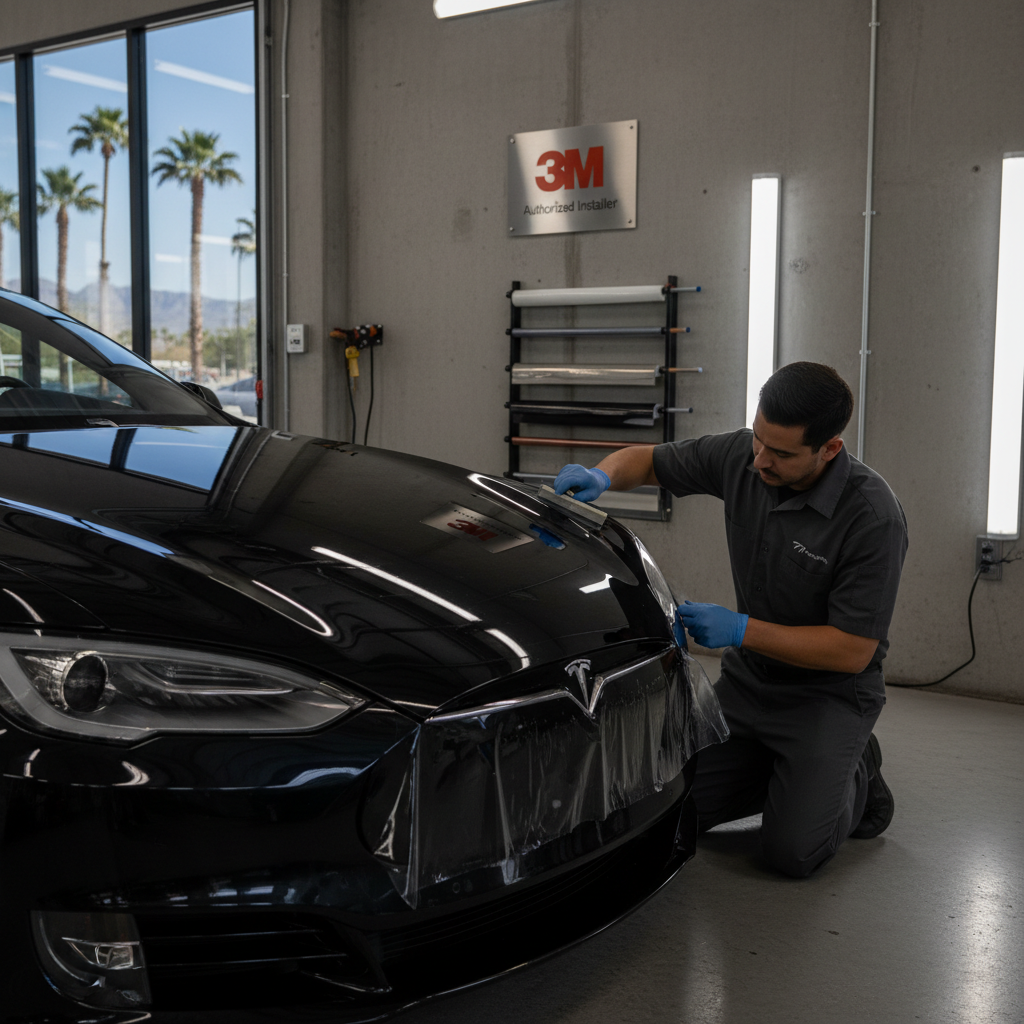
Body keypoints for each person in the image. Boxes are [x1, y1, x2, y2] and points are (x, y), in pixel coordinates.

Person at [553, 362, 907, 878]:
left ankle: (857, 769)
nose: (760, 460)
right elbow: (647, 461)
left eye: (781, 453)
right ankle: (793, 774)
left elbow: (853, 649)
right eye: (760, 440)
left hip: (827, 698)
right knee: (671, 809)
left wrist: (741, 630)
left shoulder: (873, 519)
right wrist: (603, 475)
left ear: (829, 448)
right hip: (750, 687)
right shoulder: (746, 455)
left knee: (792, 853)